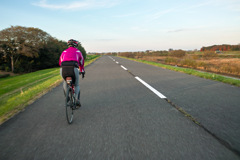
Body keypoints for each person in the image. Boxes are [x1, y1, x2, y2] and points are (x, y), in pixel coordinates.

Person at [59, 39, 85, 108]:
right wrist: (82, 70)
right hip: (73, 68)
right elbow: (81, 62)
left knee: (65, 82)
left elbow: (60, 62)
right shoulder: (78, 51)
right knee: (76, 85)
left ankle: (67, 97)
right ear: (76, 45)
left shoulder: (64, 52)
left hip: (63, 68)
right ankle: (76, 99)